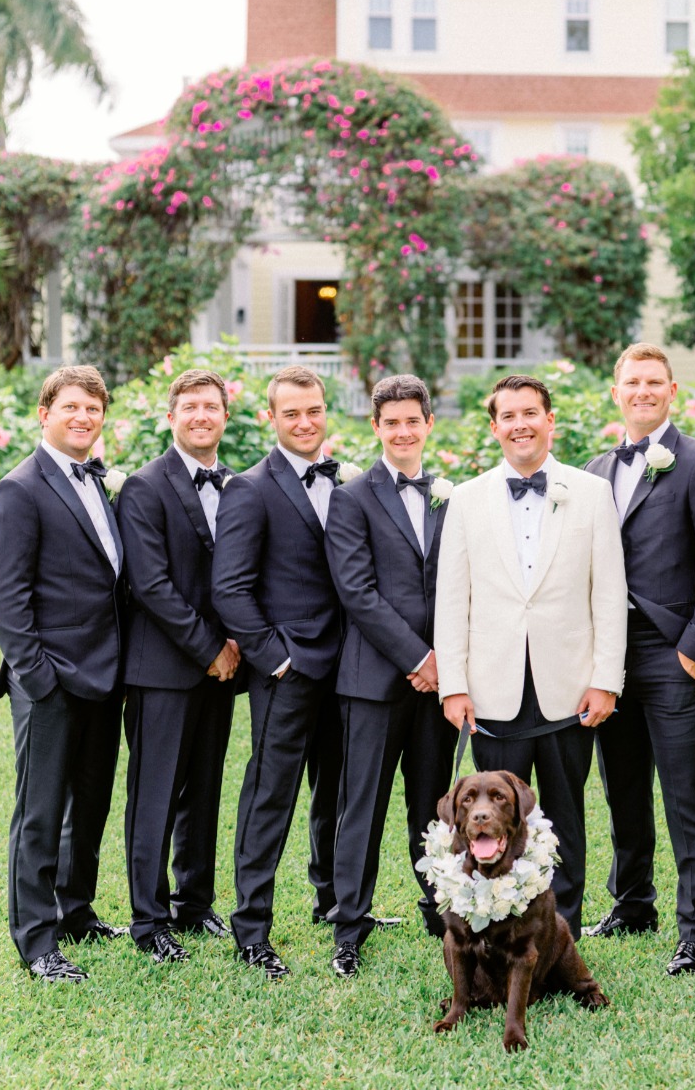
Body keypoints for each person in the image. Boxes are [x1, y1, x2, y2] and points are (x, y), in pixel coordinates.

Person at [433, 373, 627, 939]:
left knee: (565, 815)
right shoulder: (467, 500)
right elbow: (453, 599)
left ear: (550, 421)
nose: (520, 424)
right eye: (508, 416)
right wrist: (455, 685)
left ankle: (560, 932)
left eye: (530, 413)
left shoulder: (590, 493)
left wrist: (605, 679)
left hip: (569, 688)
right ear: (494, 428)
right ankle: (498, 925)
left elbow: (609, 593)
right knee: (492, 815)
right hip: (493, 691)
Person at [582, 343, 695, 975]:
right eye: (632, 382)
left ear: (672, 390)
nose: (642, 391)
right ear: (615, 391)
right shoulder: (594, 469)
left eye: (654, 382)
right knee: (621, 786)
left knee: (686, 791)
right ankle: (632, 902)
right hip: (609, 657)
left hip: (672, 652)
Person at [0, 365, 127, 982]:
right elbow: (5, 598)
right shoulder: (19, 489)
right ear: (46, 414)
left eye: (92, 409)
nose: (82, 418)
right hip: (50, 680)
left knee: (89, 804)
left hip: (104, 673)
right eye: (70, 407)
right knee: (40, 812)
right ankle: (37, 941)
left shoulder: (97, 481)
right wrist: (36, 678)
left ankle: (74, 910)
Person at [211, 365, 344, 978]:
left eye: (313, 410)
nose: (304, 422)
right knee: (271, 796)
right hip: (286, 672)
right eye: (291, 413)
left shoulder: (346, 482)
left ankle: (332, 899)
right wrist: (277, 659)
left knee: (335, 793)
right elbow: (230, 590)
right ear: (271, 418)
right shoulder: (250, 488)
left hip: (345, 670)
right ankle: (252, 929)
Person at [324, 373, 456, 978]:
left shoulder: (452, 494)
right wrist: (417, 658)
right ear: (375, 428)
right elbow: (356, 591)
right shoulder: (351, 498)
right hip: (375, 680)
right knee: (364, 806)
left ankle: (442, 912)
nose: (403, 431)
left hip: (439, 686)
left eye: (412, 421)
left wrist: (446, 662)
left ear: (429, 425)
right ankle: (350, 926)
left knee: (433, 808)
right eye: (391, 422)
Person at [116, 368, 244, 963]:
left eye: (210, 407)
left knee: (205, 789)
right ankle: (149, 919)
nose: (200, 416)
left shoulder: (236, 484)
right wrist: (210, 648)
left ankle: (195, 902)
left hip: (222, 672)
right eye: (189, 406)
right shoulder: (145, 487)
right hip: (163, 670)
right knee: (155, 794)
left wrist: (237, 646)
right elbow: (151, 584)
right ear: (171, 417)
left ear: (225, 416)